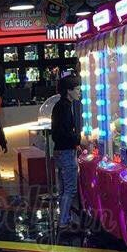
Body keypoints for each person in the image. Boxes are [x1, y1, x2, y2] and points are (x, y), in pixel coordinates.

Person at [50, 70, 83, 232]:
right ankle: (63, 221)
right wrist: (78, 139)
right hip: (66, 151)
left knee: (63, 188)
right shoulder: (64, 107)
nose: (79, 92)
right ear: (69, 91)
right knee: (70, 189)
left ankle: (65, 219)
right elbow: (62, 133)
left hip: (60, 151)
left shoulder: (61, 106)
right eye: (77, 89)